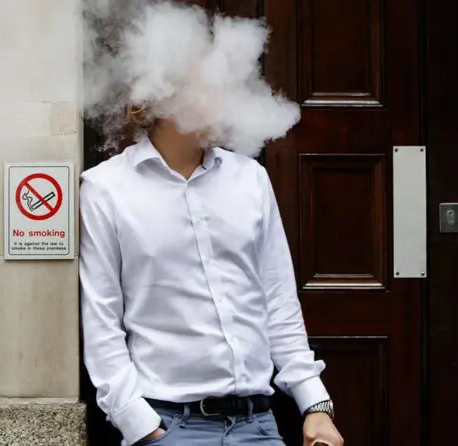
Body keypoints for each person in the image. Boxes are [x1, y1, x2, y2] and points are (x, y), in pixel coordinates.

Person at [79, 116, 344, 446]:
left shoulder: (250, 176)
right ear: (153, 97)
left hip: (258, 426)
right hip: (170, 426)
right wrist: (139, 425)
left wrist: (315, 405)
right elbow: (101, 321)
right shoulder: (105, 187)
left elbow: (278, 300)